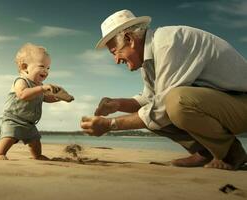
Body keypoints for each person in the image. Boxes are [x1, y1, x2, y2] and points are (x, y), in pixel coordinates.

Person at [80, 9, 247, 170]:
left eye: (115, 52)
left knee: (176, 101)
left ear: (129, 39)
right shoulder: (148, 59)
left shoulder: (169, 42)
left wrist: (110, 125)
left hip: (241, 101)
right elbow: (150, 99)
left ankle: (231, 154)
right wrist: (117, 104)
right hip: (225, 104)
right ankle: (205, 151)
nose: (116, 60)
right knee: (156, 110)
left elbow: (161, 107)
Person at [0, 43, 74, 160]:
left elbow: (45, 98)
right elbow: (23, 95)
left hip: (29, 123)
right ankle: (0, 153)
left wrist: (59, 97)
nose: (46, 71)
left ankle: (37, 155)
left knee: (35, 141)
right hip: (13, 119)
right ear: (24, 67)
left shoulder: (39, 86)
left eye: (48, 68)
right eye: (42, 66)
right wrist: (42, 88)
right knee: (9, 137)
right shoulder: (21, 81)